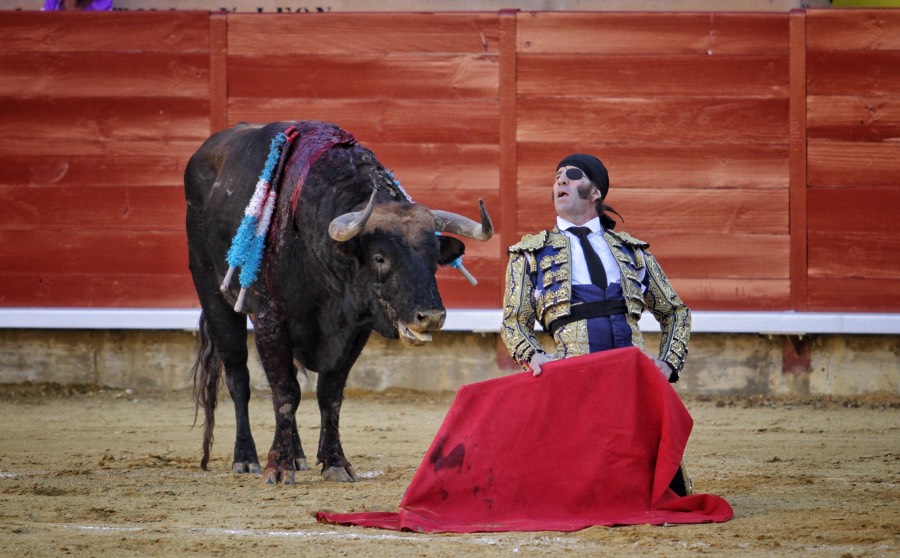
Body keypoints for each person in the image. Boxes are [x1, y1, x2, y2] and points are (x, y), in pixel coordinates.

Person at [500, 153, 692, 495]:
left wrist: (667, 363)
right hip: (573, 381)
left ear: (595, 193)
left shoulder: (632, 252)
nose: (560, 181)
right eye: (556, 176)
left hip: (630, 381)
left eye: (572, 176)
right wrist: (533, 357)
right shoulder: (529, 254)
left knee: (661, 491)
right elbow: (514, 321)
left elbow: (675, 311)